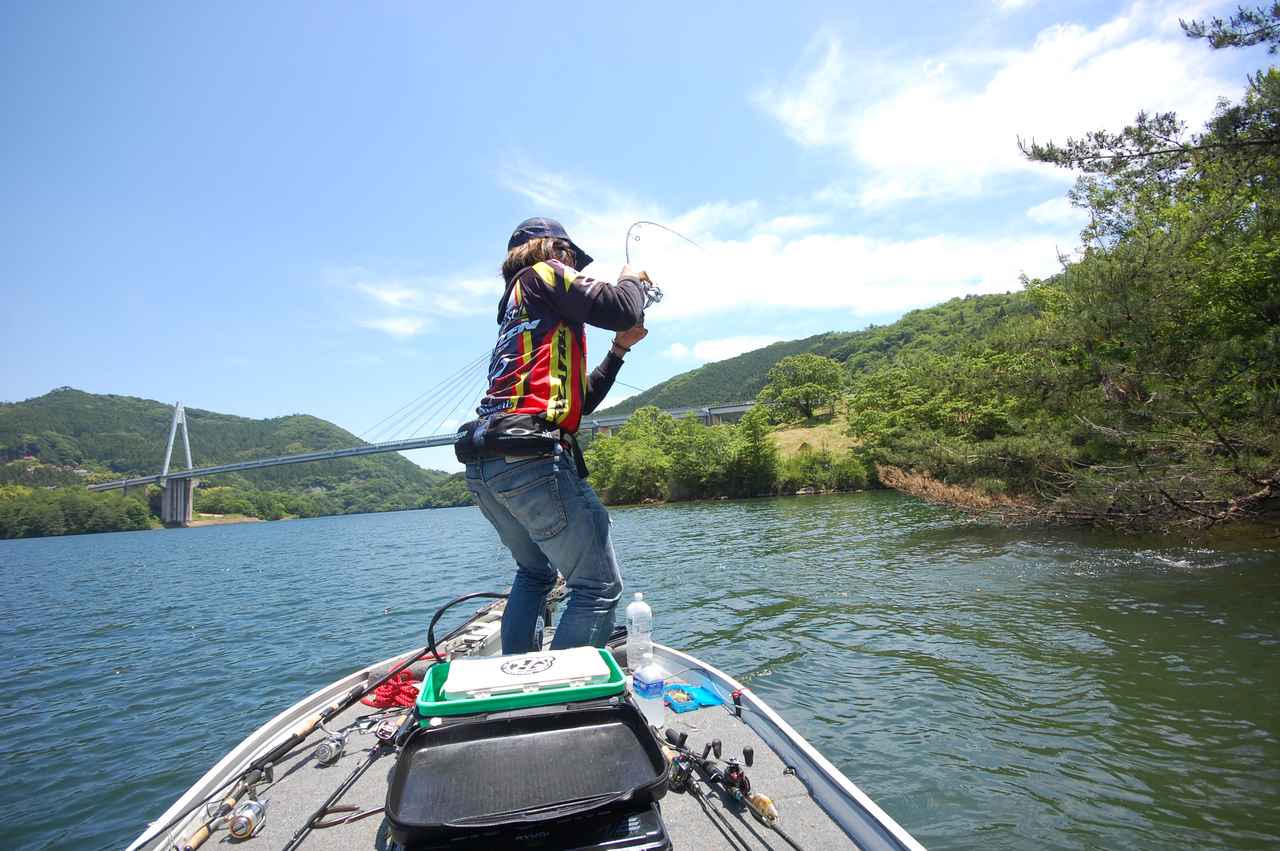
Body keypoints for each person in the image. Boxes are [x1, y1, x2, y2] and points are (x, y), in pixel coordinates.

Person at [457, 217, 651, 654]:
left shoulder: (519, 309)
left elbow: (579, 402)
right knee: (597, 586)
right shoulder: (544, 273)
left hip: (487, 462)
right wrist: (630, 281)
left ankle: (518, 683)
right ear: (553, 250)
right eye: (571, 258)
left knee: (536, 574)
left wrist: (619, 349)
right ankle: (559, 700)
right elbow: (623, 306)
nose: (574, 268)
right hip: (532, 459)